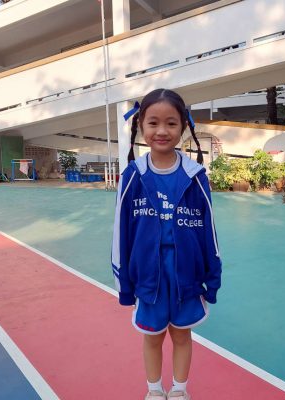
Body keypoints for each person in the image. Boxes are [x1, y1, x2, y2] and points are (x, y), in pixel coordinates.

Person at [111, 89, 222, 400]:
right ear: (141, 126)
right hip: (149, 278)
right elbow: (121, 233)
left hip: (186, 277)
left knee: (182, 336)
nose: (162, 131)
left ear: (184, 126)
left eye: (171, 123)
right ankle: (154, 390)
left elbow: (209, 232)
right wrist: (125, 285)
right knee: (152, 337)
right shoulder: (133, 176)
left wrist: (212, 279)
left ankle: (179, 390)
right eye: (153, 122)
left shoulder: (196, 176)